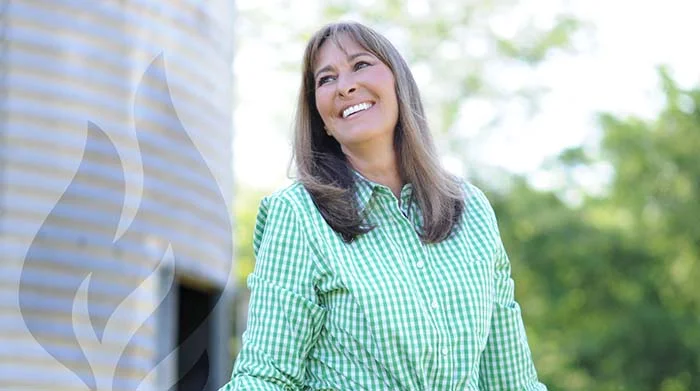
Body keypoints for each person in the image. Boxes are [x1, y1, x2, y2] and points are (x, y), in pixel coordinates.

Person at [219, 21, 546, 390]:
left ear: (398, 84)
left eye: (360, 65)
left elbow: (510, 380)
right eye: (326, 79)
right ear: (321, 118)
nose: (345, 86)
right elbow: (268, 376)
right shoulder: (297, 215)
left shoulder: (471, 210)